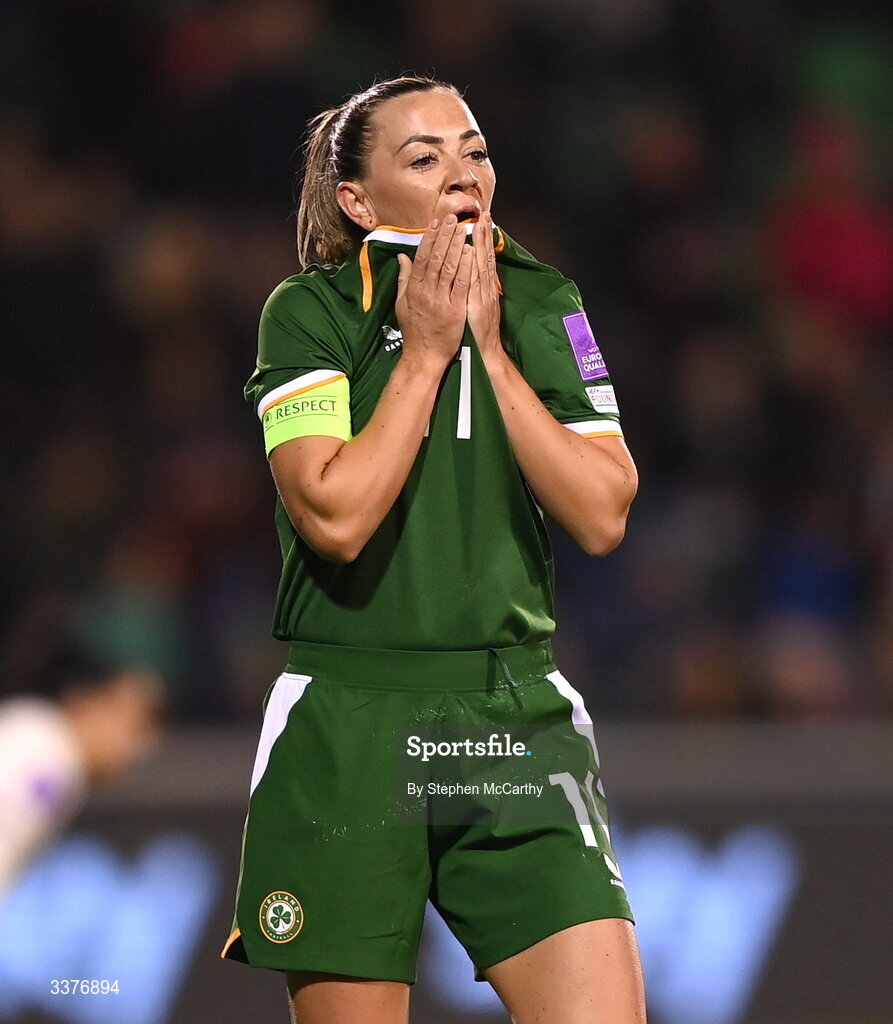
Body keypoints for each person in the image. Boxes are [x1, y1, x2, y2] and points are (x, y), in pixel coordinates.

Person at [221, 75, 646, 1023]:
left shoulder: (544, 302)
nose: (461, 172)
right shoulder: (309, 313)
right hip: (352, 721)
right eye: (424, 157)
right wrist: (422, 354)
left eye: (474, 150)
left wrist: (489, 353)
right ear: (358, 203)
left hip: (511, 714)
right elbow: (333, 515)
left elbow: (603, 512)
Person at [0, 644, 164, 898]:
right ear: (85, 700)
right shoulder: (47, 752)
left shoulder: (41, 737)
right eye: (132, 725)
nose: (137, 747)